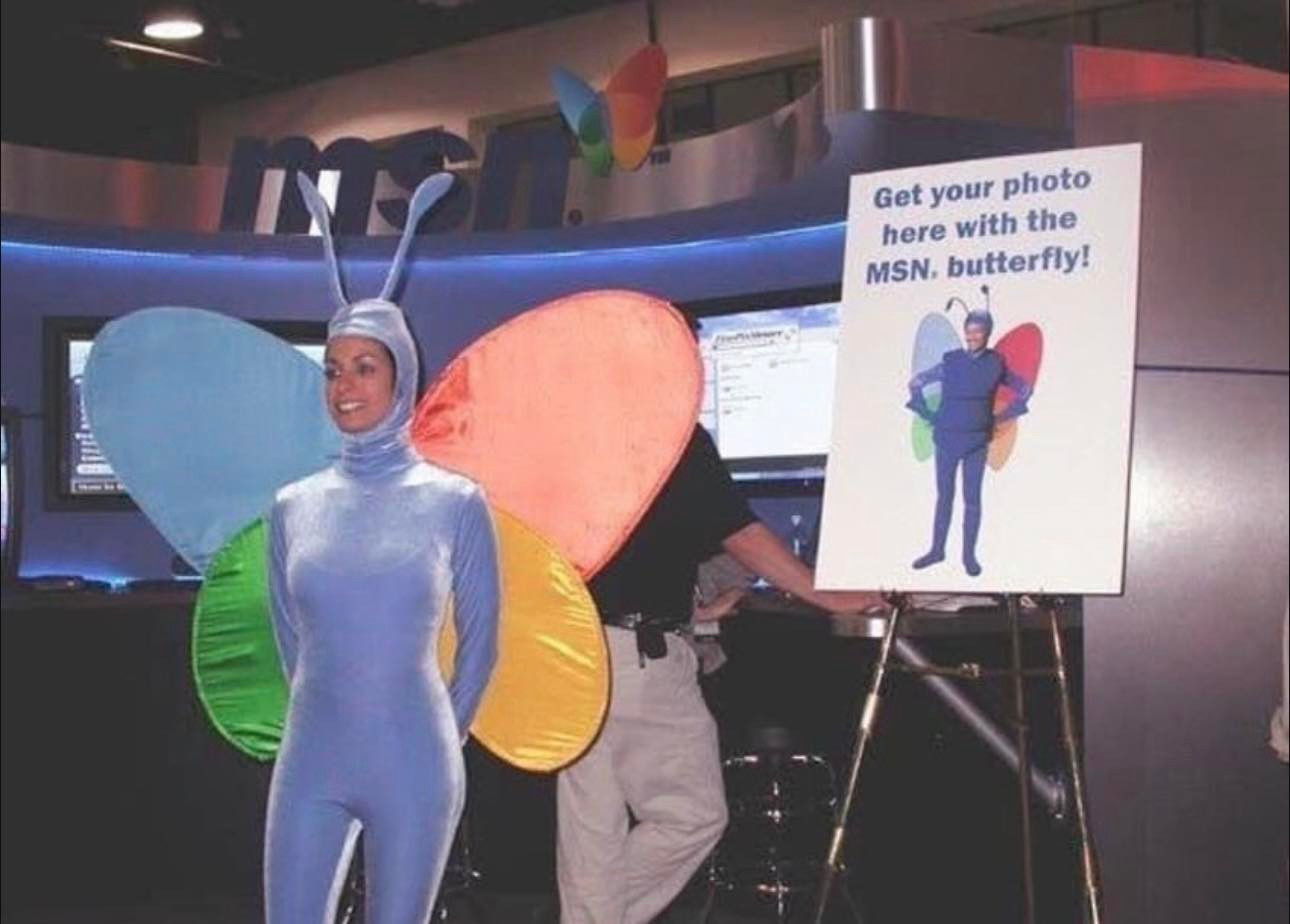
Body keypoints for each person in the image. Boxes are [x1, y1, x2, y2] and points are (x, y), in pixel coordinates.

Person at [264, 174, 500, 924]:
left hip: (414, 763)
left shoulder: (454, 501)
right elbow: (289, 640)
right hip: (309, 759)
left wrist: (433, 732)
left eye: (365, 366)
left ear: (401, 374)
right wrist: (330, 710)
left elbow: (483, 645)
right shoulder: (293, 506)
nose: (344, 386)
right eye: (333, 369)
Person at [556, 424, 883, 924]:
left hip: (574, 643)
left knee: (592, 830)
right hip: (636, 655)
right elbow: (739, 531)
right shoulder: (668, 428)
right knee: (691, 816)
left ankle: (586, 914)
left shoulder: (585, 423)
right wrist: (824, 593)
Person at [906, 289, 1032, 577]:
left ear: (987, 333)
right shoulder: (951, 360)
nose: (971, 337)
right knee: (944, 496)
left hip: (976, 440)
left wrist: (1005, 414)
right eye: (968, 332)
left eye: (977, 332)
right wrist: (927, 411)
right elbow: (918, 381)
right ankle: (937, 550)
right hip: (948, 438)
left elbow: (1023, 388)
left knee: (972, 499)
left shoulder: (996, 362)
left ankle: (968, 556)